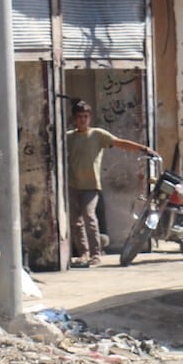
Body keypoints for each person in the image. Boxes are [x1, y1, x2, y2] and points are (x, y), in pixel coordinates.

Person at [65, 100, 154, 267]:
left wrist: (143, 148)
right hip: (72, 184)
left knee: (89, 216)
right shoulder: (69, 137)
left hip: (91, 186)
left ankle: (95, 255)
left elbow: (120, 143)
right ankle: (83, 254)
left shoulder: (97, 135)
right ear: (74, 119)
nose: (83, 120)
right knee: (76, 221)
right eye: (79, 117)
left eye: (85, 117)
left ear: (89, 118)